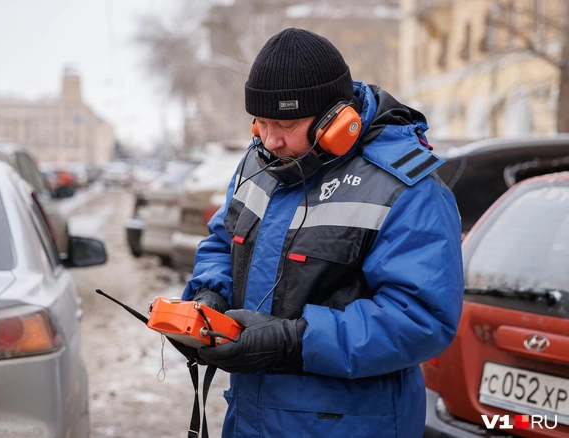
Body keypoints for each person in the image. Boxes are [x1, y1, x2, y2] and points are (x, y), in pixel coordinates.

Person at [180, 28, 464, 438]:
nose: (270, 139)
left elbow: (421, 320)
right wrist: (209, 297)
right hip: (251, 421)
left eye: (285, 122)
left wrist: (295, 342)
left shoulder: (407, 187)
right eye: (259, 121)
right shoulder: (259, 162)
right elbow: (222, 242)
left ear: (337, 119)